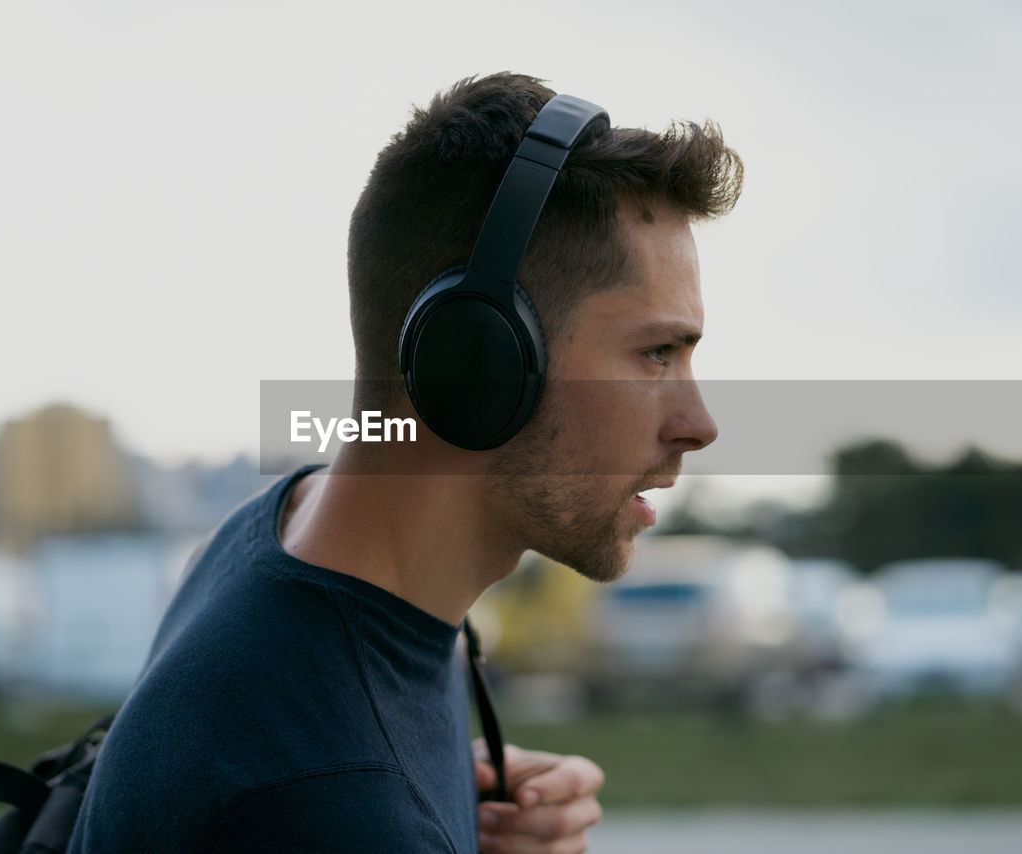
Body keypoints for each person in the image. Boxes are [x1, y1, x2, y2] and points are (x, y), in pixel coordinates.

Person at [68, 72, 741, 854]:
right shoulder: (335, 805)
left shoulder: (274, 539)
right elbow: (310, 791)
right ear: (478, 365)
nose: (700, 426)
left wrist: (448, 801)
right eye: (656, 353)